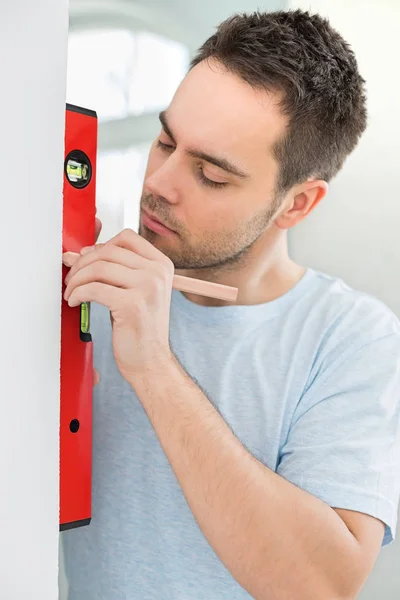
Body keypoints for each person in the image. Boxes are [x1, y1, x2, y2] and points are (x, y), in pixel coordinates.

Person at [62, 8, 400, 600]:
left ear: (297, 204)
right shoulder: (90, 287)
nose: (160, 183)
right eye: (165, 140)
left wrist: (153, 368)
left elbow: (319, 586)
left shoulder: (354, 340)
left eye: (211, 175)